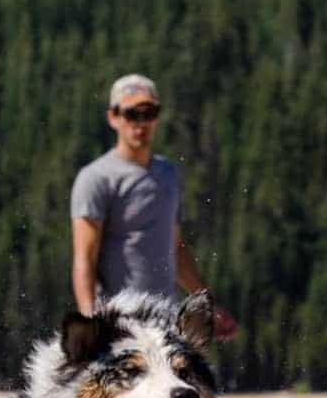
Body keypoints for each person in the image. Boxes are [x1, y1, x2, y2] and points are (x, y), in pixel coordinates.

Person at [70, 74, 238, 339]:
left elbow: (176, 248)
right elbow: (85, 258)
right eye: (132, 114)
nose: (141, 123)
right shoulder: (96, 178)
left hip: (164, 318)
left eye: (149, 113)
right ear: (113, 118)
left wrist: (208, 305)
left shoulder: (167, 173)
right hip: (117, 319)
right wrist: (89, 320)